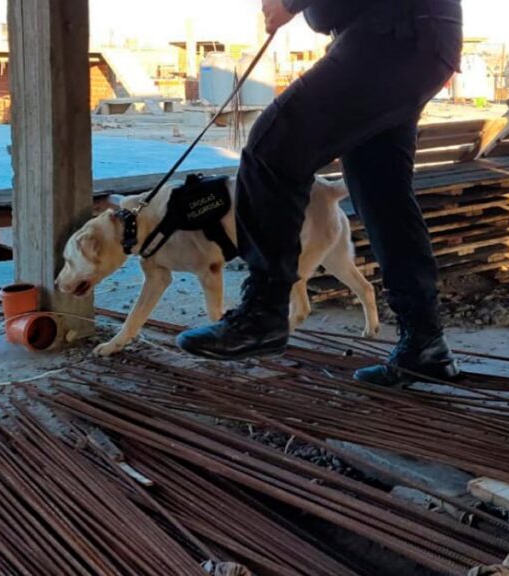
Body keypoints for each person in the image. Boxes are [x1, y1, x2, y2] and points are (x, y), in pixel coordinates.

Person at [177, 0, 464, 386]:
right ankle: (425, 344)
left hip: (393, 35)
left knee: (272, 148)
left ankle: (264, 312)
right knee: (381, 192)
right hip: (415, 40)